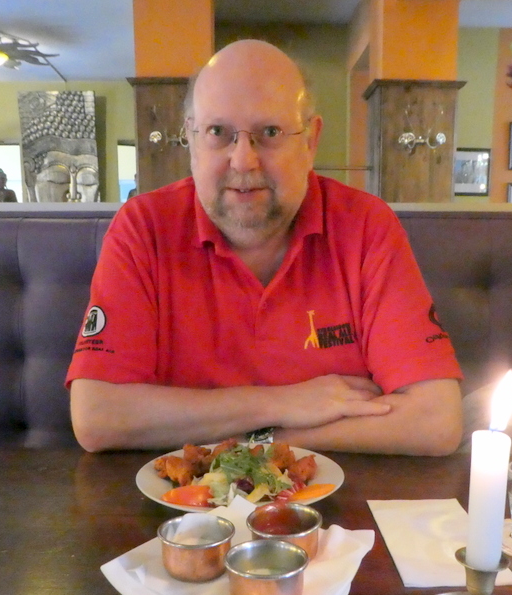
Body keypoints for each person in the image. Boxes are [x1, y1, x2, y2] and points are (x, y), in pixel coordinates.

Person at [67, 39, 463, 455]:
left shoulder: (367, 227)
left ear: (310, 141)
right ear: (191, 139)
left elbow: (435, 420)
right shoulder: (142, 228)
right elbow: (98, 417)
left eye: (270, 133)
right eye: (218, 133)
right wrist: (285, 403)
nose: (243, 161)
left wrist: (257, 444)